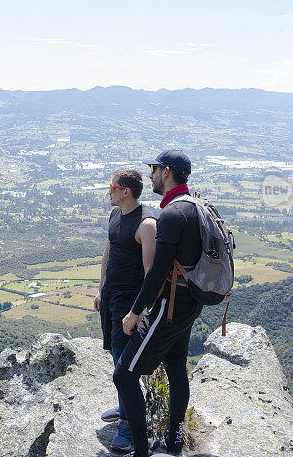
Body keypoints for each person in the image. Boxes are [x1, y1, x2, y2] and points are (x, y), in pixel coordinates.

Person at [113, 149, 202, 456]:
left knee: (123, 375)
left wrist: (135, 312)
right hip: (190, 304)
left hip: (169, 304)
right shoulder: (196, 206)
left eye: (153, 168)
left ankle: (140, 451)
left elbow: (157, 274)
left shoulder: (172, 215)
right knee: (176, 369)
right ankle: (174, 438)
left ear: (166, 172)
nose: (150, 174)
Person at [95, 168, 157, 452]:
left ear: (126, 191)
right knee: (116, 358)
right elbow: (108, 255)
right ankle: (124, 407)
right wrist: (100, 290)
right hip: (110, 299)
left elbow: (149, 273)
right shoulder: (115, 215)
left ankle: (128, 427)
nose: (109, 191)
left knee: (124, 367)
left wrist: (139, 311)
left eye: (112, 187)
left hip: (128, 305)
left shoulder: (146, 225)